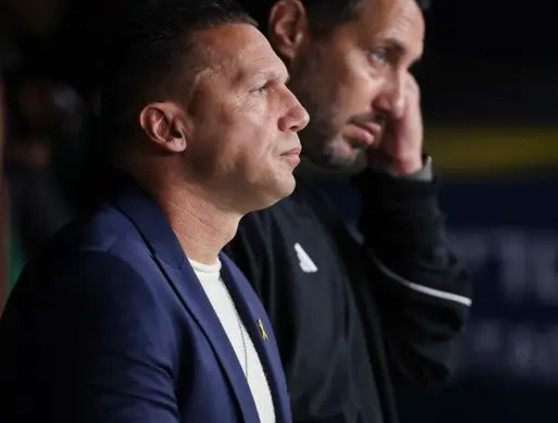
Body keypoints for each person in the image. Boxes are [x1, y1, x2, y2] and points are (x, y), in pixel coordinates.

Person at [0, 0, 309, 422]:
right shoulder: (108, 280)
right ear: (168, 128)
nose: (297, 114)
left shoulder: (231, 280)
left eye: (285, 86)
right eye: (260, 88)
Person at [225, 1, 472, 422]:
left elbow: (420, 355)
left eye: (408, 69)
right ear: (291, 28)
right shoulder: (225, 210)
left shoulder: (304, 206)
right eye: (381, 55)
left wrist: (403, 179)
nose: (398, 102)